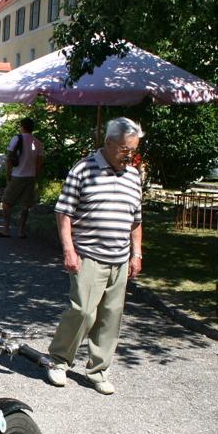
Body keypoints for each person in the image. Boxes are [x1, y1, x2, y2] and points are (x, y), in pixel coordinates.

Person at [45, 117, 144, 395]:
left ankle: (98, 370)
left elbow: (136, 219)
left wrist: (136, 253)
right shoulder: (84, 169)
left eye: (133, 149)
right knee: (83, 311)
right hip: (88, 255)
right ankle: (59, 360)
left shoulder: (133, 175)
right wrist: (69, 250)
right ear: (109, 143)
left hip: (120, 257)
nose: (130, 155)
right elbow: (63, 212)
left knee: (111, 316)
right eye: (125, 149)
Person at [0, 117, 44, 238]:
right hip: (31, 176)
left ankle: (6, 229)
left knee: (6, 202)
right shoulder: (37, 142)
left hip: (17, 175)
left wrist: (8, 176)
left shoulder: (16, 138)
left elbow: (8, 159)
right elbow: (39, 163)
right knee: (26, 205)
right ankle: (21, 231)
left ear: (22, 126)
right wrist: (36, 177)